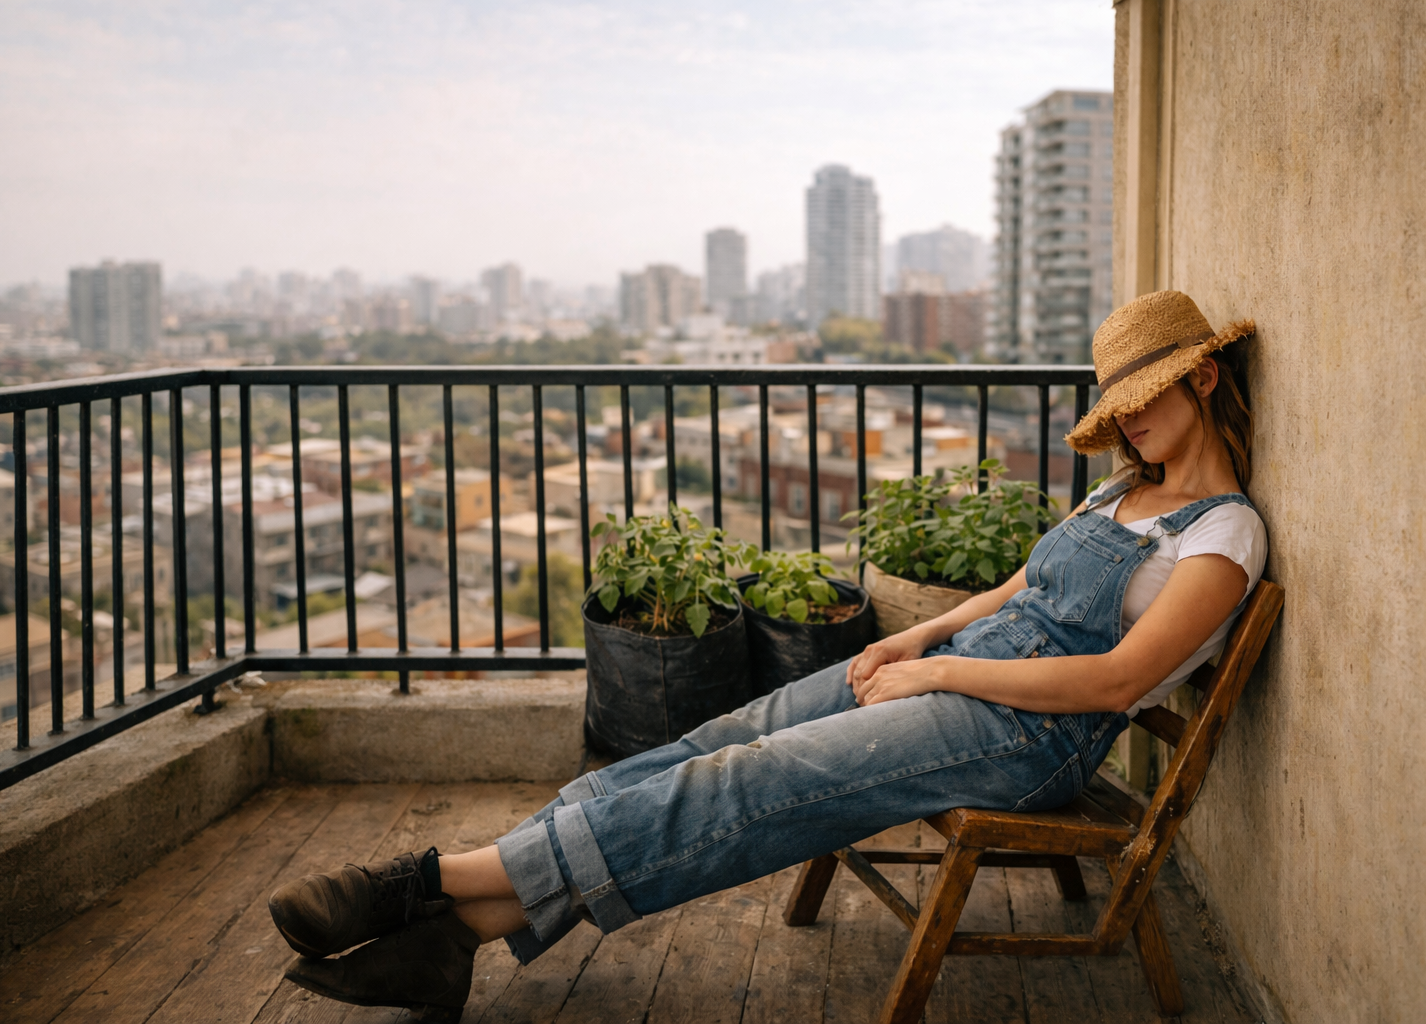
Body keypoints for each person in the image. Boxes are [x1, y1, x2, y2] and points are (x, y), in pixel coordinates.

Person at [267, 290, 1268, 1022]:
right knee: (724, 737)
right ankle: (457, 938)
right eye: (1118, 402)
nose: (1129, 417)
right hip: (965, 669)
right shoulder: (1119, 491)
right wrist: (916, 634)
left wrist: (936, 671)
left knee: (756, 778)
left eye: (1146, 393)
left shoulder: (1223, 535)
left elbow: (1114, 679)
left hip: (1030, 736)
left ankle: (425, 882)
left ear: (1204, 375)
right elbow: (1018, 590)